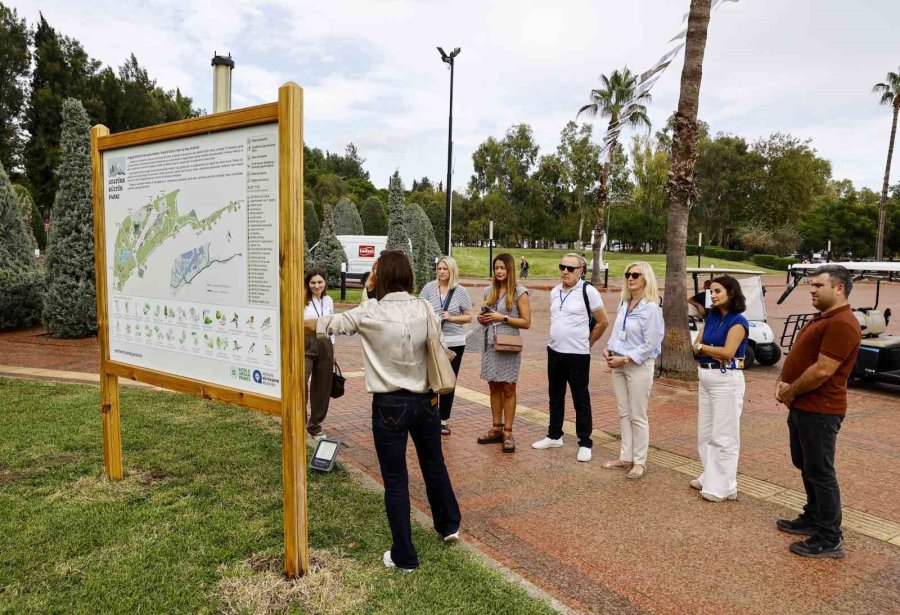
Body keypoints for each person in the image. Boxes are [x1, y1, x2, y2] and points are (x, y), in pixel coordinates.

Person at [305, 251, 461, 572]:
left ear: (381, 276)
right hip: (427, 398)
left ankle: (404, 555)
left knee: (395, 479)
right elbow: (439, 343)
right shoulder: (425, 306)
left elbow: (324, 325)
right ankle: (448, 524)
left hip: (389, 403)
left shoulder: (369, 311)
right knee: (434, 463)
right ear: (407, 275)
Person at [774, 264, 860, 559]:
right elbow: (801, 357)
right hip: (803, 406)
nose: (812, 290)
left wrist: (791, 389)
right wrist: (783, 382)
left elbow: (823, 369)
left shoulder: (842, 323)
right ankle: (813, 516)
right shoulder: (823, 318)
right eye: (811, 285)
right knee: (805, 464)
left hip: (821, 410)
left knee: (821, 471)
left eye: (818, 286)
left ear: (839, 289)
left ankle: (830, 537)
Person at [532, 254, 609, 462]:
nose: (565, 271)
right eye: (562, 267)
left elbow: (602, 322)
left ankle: (585, 442)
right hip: (554, 352)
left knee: (580, 399)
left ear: (580, 271)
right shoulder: (555, 292)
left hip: (578, 355)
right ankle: (554, 435)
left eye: (570, 268)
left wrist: (588, 343)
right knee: (555, 396)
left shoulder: (588, 291)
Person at [602, 262, 664, 479]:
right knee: (623, 412)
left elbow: (651, 344)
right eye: (628, 274)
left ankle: (640, 461)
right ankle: (625, 457)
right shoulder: (624, 303)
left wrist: (626, 359)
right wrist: (608, 348)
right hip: (617, 363)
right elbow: (617, 330)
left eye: (635, 274)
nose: (630, 278)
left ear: (646, 278)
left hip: (637, 366)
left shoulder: (651, 308)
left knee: (638, 414)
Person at [692, 275, 750, 502]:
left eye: (717, 291)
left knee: (724, 435)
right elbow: (696, 344)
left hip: (726, 380)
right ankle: (710, 476)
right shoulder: (712, 317)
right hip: (706, 376)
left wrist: (703, 347)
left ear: (731, 293)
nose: (713, 296)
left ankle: (724, 486)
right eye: (711, 292)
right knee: (705, 432)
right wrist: (704, 348)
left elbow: (728, 352)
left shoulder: (739, 321)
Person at [476, 253, 532, 453]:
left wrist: (503, 318)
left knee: (508, 387)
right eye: (496, 268)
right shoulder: (488, 290)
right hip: (490, 344)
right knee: (493, 386)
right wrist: (482, 318)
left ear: (510, 269)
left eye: (503, 268)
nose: (499, 271)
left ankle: (508, 432)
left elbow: (526, 322)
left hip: (508, 345)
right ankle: (496, 428)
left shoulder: (519, 292)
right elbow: (486, 315)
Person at [419, 256, 473, 436]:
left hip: (454, 342)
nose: (441, 272)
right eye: (439, 268)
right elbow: (419, 309)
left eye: (445, 269)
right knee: (430, 379)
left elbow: (468, 316)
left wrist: (451, 317)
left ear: (452, 271)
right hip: (434, 341)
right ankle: (429, 416)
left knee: (448, 381)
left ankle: (443, 419)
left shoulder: (461, 291)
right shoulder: (428, 288)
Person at [303, 268, 334, 441]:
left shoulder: (328, 300)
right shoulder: (302, 301)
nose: (317, 286)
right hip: (306, 343)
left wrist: (333, 349)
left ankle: (315, 426)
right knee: (301, 382)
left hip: (325, 343)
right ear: (307, 284)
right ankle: (299, 421)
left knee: (322, 386)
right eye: (313, 282)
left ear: (325, 283)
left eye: (320, 282)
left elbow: (333, 326)